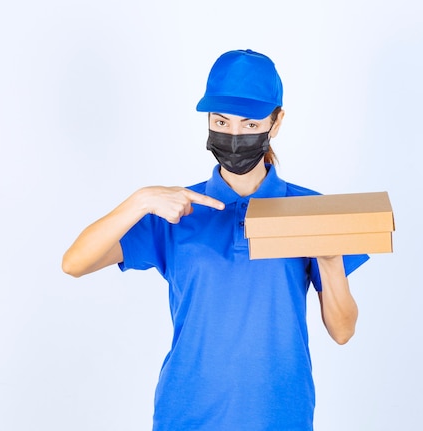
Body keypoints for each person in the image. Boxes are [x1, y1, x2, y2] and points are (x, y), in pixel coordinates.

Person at [62, 49, 369, 431]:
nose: (234, 135)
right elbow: (75, 263)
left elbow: (343, 331)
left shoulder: (308, 209)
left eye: (250, 124)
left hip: (279, 416)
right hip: (185, 415)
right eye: (221, 121)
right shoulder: (174, 210)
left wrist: (329, 258)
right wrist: (140, 201)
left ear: (276, 123)